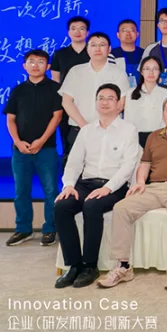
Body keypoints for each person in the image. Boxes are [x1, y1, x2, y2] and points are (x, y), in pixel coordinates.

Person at [98, 96, 167, 290]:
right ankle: (123, 266)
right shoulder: (154, 136)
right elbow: (145, 164)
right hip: (154, 187)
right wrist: (140, 182)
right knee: (121, 208)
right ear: (163, 113)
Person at [54, 84, 138, 288]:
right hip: (86, 183)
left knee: (92, 206)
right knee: (61, 206)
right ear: (95, 102)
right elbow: (74, 162)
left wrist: (107, 188)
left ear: (119, 104)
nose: (105, 102)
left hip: (114, 186)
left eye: (110, 98)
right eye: (101, 98)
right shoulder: (86, 130)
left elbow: (128, 166)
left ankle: (90, 266)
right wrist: (68, 185)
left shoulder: (129, 130)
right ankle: (74, 265)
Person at [4, 49, 63, 247]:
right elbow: (10, 119)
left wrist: (41, 141)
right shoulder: (18, 90)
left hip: (46, 149)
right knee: (21, 191)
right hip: (20, 150)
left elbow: (57, 117)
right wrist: (18, 142)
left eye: (40, 62)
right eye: (31, 61)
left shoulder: (55, 89)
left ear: (48, 66)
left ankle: (50, 228)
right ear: (24, 66)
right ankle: (23, 229)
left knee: (51, 191)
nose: (35, 65)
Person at [58, 33, 129, 166]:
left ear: (109, 49)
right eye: (93, 45)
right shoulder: (76, 71)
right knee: (76, 171)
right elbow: (66, 102)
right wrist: (85, 127)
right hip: (79, 130)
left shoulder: (118, 72)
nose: (98, 49)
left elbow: (122, 102)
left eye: (102, 45)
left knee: (107, 170)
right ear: (87, 49)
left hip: (109, 131)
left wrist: (103, 126)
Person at [50, 15, 91, 166]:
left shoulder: (93, 52)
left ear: (87, 32)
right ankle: (68, 174)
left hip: (90, 102)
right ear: (68, 32)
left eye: (81, 29)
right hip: (67, 103)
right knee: (68, 141)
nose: (77, 32)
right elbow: (56, 80)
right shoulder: (60, 54)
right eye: (73, 29)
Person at [124, 56, 167, 148]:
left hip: (159, 139)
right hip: (135, 139)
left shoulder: (166, 93)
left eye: (155, 69)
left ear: (160, 72)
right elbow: (127, 119)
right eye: (147, 69)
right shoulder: (130, 93)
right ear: (141, 71)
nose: (151, 72)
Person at [111, 19, 144, 90]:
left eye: (132, 30)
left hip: (141, 92)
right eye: (124, 30)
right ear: (118, 35)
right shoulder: (111, 54)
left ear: (137, 34)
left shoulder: (144, 53)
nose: (128, 33)